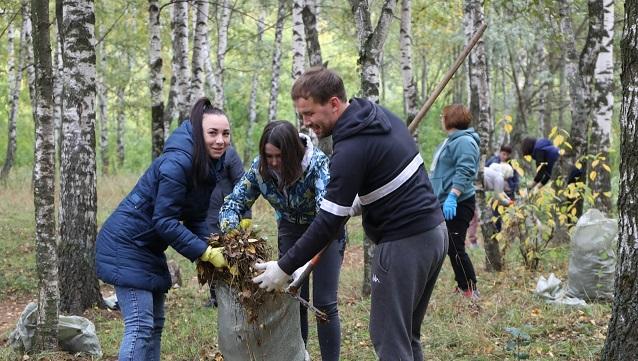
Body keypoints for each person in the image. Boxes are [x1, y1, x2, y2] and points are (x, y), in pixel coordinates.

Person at [250, 67, 447, 361]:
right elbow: (386, 177)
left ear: (333, 103)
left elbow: (329, 221)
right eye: (301, 115)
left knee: (389, 339)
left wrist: (284, 267)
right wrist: (359, 201)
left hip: (403, 242)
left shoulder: (351, 146)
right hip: (434, 233)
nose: (305, 123)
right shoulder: (378, 117)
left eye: (309, 113)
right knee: (406, 336)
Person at [95, 97, 234, 361]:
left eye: (225, 134)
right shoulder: (177, 163)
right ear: (198, 134)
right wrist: (204, 252)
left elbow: (193, 218)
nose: (220, 140)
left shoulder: (208, 165)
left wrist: (216, 246)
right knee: (140, 326)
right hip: (125, 245)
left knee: (155, 326)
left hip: (147, 246)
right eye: (212, 133)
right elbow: (165, 221)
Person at [219, 120, 345, 361]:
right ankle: (299, 356)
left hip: (325, 233)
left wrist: (301, 262)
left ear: (293, 152)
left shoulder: (317, 164)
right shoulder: (259, 168)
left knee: (324, 303)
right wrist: (233, 235)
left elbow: (326, 218)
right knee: (294, 299)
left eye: (280, 156)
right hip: (290, 229)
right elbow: (232, 204)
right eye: (269, 156)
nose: (274, 162)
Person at [430, 104, 480, 299]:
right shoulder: (451, 141)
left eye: (443, 116)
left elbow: (465, 169)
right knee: (451, 246)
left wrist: (453, 195)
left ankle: (469, 288)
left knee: (455, 247)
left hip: (458, 202)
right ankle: (464, 286)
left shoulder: (464, 142)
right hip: (443, 201)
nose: (442, 120)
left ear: (450, 118)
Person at [204, 146, 251, 308]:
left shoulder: (230, 154)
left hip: (229, 211)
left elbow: (241, 182)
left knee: (232, 250)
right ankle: (214, 295)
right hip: (206, 210)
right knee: (208, 249)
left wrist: (246, 215)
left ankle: (238, 290)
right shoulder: (198, 155)